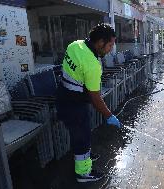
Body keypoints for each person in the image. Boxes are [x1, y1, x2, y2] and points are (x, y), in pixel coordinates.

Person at [56, 23, 121, 183]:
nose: (111, 49)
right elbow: (95, 97)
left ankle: (84, 155)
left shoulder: (74, 45)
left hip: (62, 96)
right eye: (110, 44)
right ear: (100, 42)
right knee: (82, 137)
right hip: (75, 105)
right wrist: (109, 115)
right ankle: (83, 173)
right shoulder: (92, 65)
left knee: (79, 133)